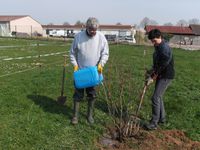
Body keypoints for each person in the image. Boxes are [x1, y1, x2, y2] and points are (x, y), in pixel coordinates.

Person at [69, 17, 109, 124]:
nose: (93, 32)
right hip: (81, 72)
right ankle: (75, 117)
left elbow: (105, 53)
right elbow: (72, 53)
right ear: (86, 27)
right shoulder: (78, 37)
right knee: (78, 95)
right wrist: (75, 65)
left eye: (95, 30)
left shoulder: (101, 38)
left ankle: (89, 115)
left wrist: (101, 64)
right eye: (91, 29)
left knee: (92, 94)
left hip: (94, 73)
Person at [145, 29, 175, 130]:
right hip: (161, 74)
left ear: (160, 37)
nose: (153, 43)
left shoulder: (165, 49)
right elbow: (157, 63)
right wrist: (151, 71)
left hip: (166, 75)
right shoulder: (158, 46)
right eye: (152, 41)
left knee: (155, 98)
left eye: (154, 40)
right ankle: (162, 118)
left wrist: (153, 76)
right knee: (159, 96)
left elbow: (162, 65)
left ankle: (154, 123)